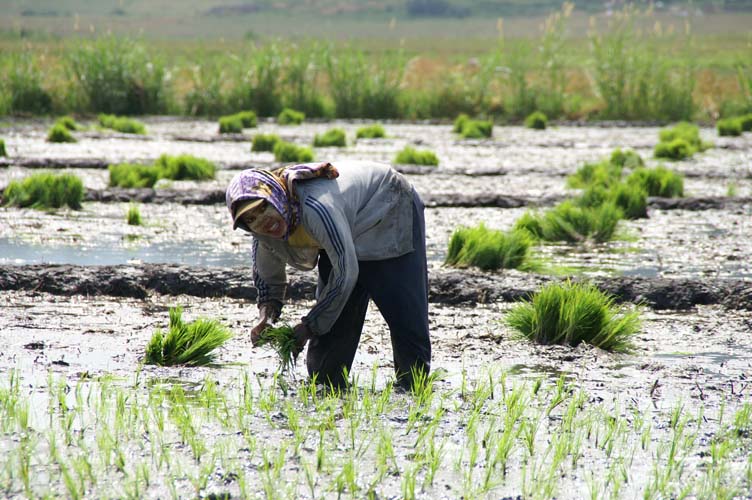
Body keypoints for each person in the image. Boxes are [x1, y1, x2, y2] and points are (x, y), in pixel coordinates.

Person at [226, 160, 431, 389]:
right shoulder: (263, 235)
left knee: (403, 314)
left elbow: (346, 273)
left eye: (263, 207)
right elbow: (268, 279)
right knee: (325, 370)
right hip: (342, 230)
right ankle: (329, 391)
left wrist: (307, 327)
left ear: (275, 197)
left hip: (387, 206)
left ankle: (413, 392)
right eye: (251, 219)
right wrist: (267, 317)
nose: (262, 221)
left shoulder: (316, 207)